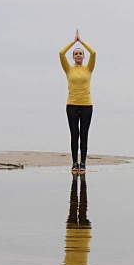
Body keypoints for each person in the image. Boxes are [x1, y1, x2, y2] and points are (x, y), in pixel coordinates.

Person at [59, 29, 96, 173]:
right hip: (71, 105)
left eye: (80, 53)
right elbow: (61, 53)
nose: (78, 55)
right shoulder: (68, 69)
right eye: (76, 54)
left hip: (87, 105)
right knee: (74, 134)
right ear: (73, 57)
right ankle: (75, 163)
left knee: (84, 135)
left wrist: (82, 42)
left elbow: (94, 53)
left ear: (83, 56)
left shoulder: (89, 69)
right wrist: (73, 42)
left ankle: (83, 163)